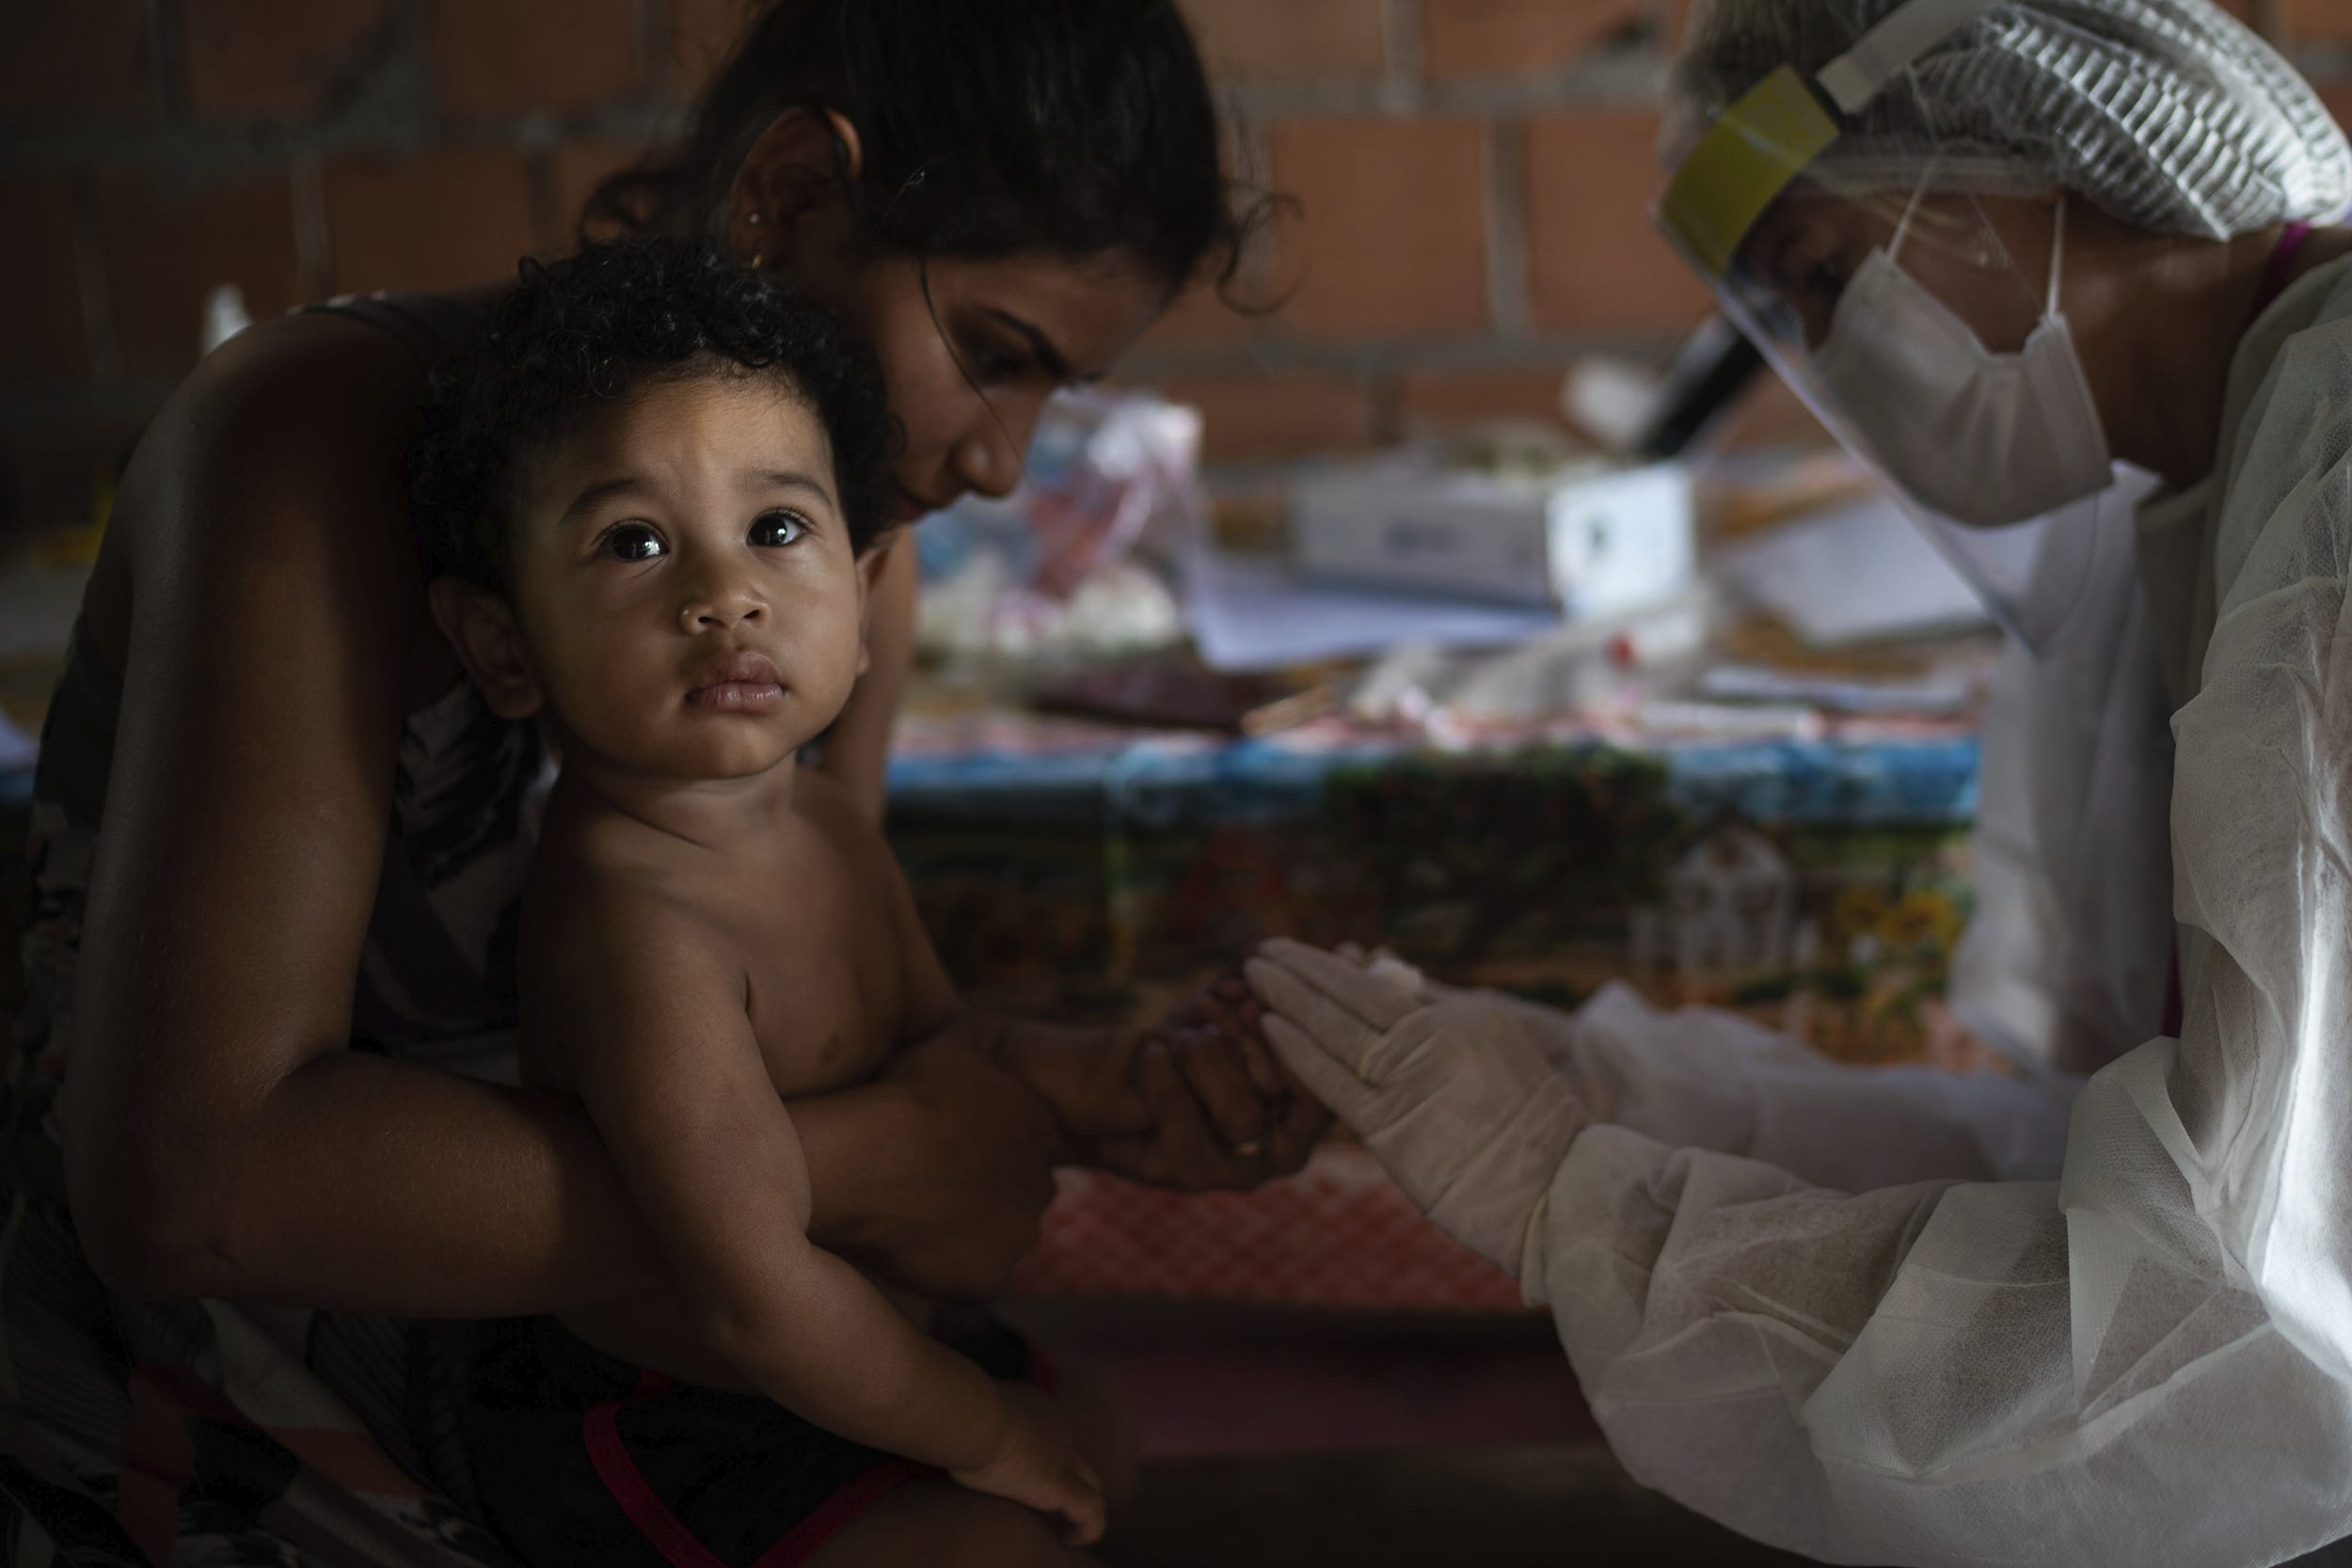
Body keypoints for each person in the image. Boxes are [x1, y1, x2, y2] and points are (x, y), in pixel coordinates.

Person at [0, 3, 1320, 1562]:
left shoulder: (844, 556)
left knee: (1084, 1458)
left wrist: (1090, 1098)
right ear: (789, 191)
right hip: (239, 1395)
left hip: (649, 1326)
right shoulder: (305, 443)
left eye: (1057, 396)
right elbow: (191, 1185)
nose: (999, 463)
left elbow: (800, 1032)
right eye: (990, 355)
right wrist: (883, 1161)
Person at [1248, 1, 2352, 1564]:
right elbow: (2139, 1167)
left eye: (1823, 275)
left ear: (2020, 151)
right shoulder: (2237, 465)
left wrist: (1582, 1200)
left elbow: (2244, 1346)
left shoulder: (2333, 499)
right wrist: (1620, 1099)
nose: (1830, 365)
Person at [418, 237, 1232, 1562]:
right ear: (506, 646)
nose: (725, 596)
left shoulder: (829, 827)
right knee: (997, 1542)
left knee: (1104, 1442)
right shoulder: (638, 927)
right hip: (696, 1414)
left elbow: (943, 1051)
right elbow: (748, 1293)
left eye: (778, 530)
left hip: (871, 1345)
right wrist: (980, 1429)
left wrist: (1120, 1081)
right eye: (635, 543)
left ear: (857, 600)